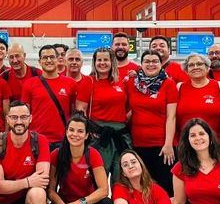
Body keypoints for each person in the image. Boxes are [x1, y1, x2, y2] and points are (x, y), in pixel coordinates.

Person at [47, 113, 113, 204]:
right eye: (71, 130)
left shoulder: (93, 154)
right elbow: (50, 191)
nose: (75, 134)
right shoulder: (57, 155)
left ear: (87, 135)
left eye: (80, 131)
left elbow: (104, 190)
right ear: (66, 132)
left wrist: (79, 202)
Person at [75, 47, 131, 182]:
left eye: (106, 59)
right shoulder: (88, 82)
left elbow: (128, 109)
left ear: (112, 62)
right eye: (99, 60)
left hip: (120, 136)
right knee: (98, 174)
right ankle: (98, 202)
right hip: (99, 135)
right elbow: (80, 110)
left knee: (122, 175)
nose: (102, 63)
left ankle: (120, 202)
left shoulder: (122, 82)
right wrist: (91, 130)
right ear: (94, 62)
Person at [126, 50, 178, 195]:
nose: (151, 64)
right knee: (144, 187)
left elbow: (171, 116)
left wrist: (168, 144)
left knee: (166, 187)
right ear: (140, 64)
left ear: (161, 64)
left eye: (155, 61)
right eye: (147, 61)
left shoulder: (168, 84)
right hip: (138, 144)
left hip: (162, 146)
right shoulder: (132, 83)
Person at [21, 44, 77, 151]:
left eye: (52, 57)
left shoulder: (71, 84)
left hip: (62, 140)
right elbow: (25, 114)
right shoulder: (29, 84)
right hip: (36, 140)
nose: (49, 60)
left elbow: (74, 112)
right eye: (45, 58)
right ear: (39, 61)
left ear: (58, 59)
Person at [176, 53, 220, 145]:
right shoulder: (179, 88)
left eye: (199, 64)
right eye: (191, 65)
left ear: (207, 68)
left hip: (215, 144)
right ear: (186, 71)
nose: (195, 67)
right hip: (186, 144)